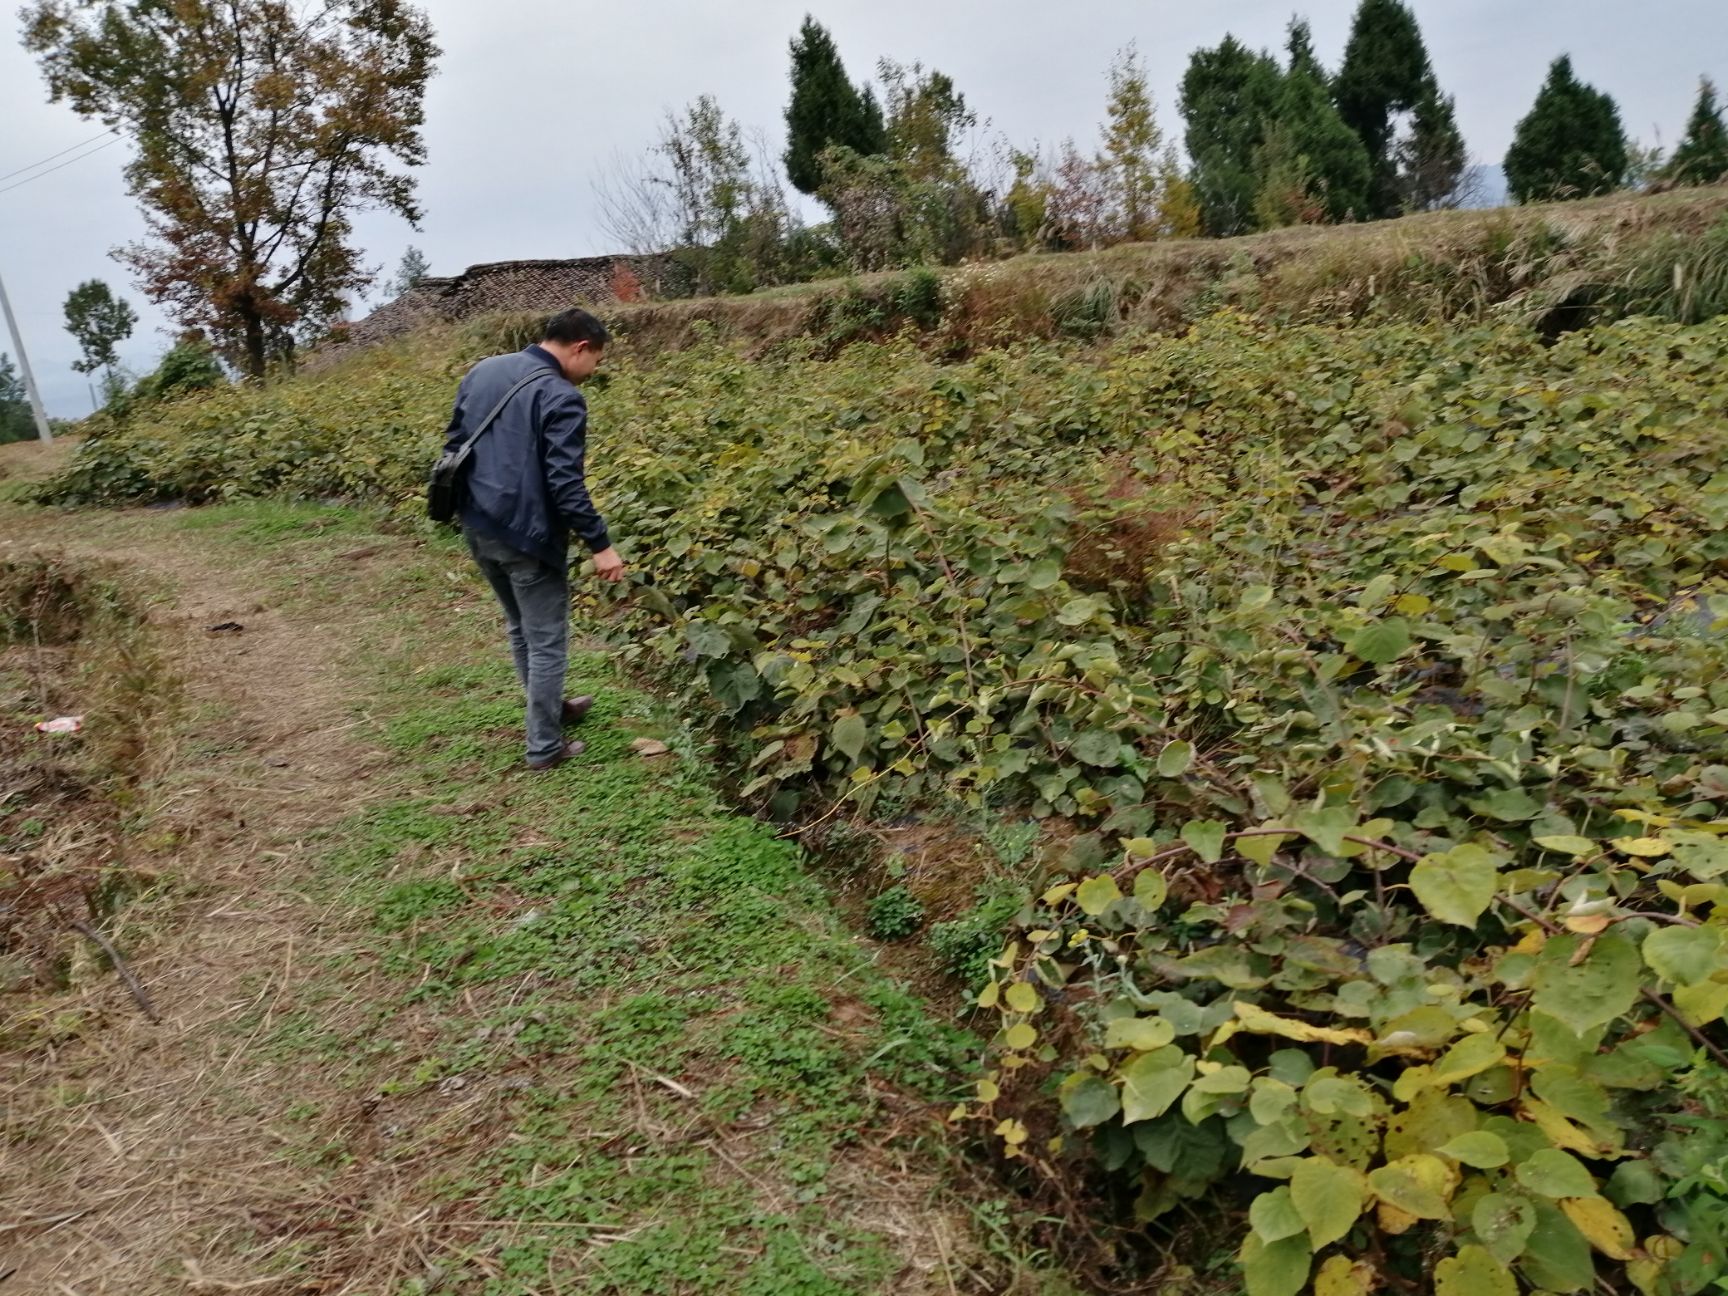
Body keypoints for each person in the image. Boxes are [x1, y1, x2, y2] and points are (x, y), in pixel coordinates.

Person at [440, 306, 626, 770]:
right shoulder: (562, 396)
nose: (593, 371)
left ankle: (551, 707)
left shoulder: (484, 369)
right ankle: (544, 746)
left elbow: (455, 441)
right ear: (581, 348)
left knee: (520, 627)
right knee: (546, 640)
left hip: (478, 523)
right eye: (597, 361)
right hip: (527, 535)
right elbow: (565, 483)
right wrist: (600, 545)